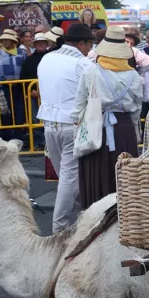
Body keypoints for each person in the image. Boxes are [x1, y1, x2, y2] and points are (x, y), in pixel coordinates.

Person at [73, 26, 142, 209]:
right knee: (125, 177)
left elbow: (79, 105)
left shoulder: (91, 72)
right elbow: (136, 109)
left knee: (97, 177)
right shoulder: (133, 75)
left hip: (97, 128)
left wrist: (78, 128)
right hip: (125, 130)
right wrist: (135, 132)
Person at [37, 24, 94, 232]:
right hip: (72, 124)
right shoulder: (83, 64)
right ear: (81, 43)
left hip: (49, 123)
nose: (90, 49)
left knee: (67, 178)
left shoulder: (46, 58)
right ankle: (59, 228)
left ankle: (81, 217)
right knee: (69, 177)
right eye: (89, 44)